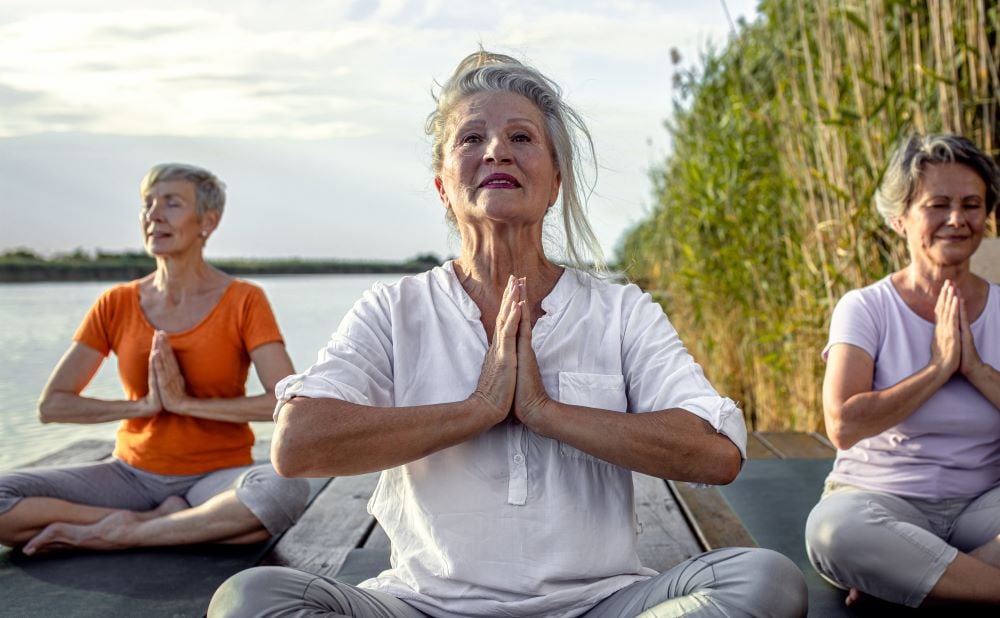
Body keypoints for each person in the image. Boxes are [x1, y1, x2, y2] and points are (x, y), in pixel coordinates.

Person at [208, 50, 807, 618]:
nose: (497, 150)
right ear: (444, 184)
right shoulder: (396, 308)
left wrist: (544, 411)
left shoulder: (621, 311)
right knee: (249, 598)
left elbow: (716, 452)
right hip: (422, 605)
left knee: (763, 581)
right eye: (471, 139)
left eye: (521, 137)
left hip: (601, 603)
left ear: (555, 182)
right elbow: (297, 443)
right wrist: (480, 408)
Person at [0, 163, 310, 554]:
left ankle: (124, 533)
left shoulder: (244, 300)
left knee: (281, 490)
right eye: (147, 204)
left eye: (172, 203)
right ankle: (160, 523)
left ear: (207, 222)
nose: (154, 215)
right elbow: (54, 405)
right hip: (130, 476)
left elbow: (287, 406)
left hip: (217, 476)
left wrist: (184, 404)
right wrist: (145, 406)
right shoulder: (116, 302)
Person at [805, 133, 1000, 608]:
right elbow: (844, 425)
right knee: (834, 533)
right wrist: (937, 368)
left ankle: (914, 577)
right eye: (938, 205)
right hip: (879, 501)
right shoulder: (865, 308)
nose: (957, 219)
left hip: (983, 507)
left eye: (971, 205)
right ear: (901, 219)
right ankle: (959, 579)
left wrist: (973, 368)